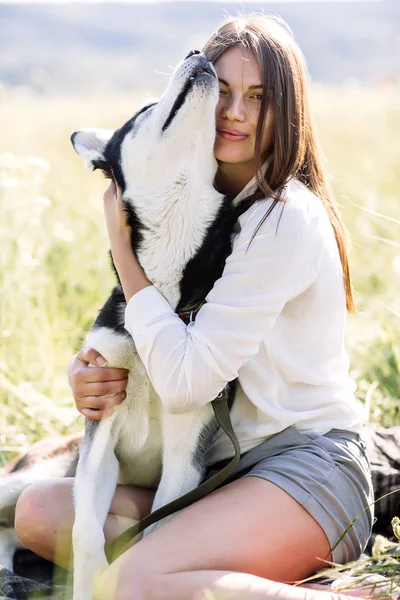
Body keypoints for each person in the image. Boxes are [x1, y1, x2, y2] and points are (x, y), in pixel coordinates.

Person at [15, 14, 374, 600]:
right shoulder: (205, 207)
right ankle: (202, 569)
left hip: (305, 467)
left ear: (290, 111)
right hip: (218, 471)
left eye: (258, 97)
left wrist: (121, 249)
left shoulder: (280, 218)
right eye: (224, 91)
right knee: (41, 512)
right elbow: (158, 349)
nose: (234, 113)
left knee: (133, 582)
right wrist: (92, 375)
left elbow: (186, 383)